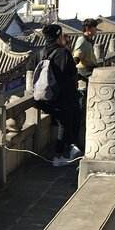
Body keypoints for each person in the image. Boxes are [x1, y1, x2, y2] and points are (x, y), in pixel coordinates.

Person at [40, 24, 82, 166]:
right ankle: (59, 156)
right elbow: (70, 73)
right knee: (65, 123)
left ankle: (67, 150)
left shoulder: (42, 52)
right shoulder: (62, 52)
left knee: (63, 123)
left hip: (47, 95)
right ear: (58, 36)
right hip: (63, 96)